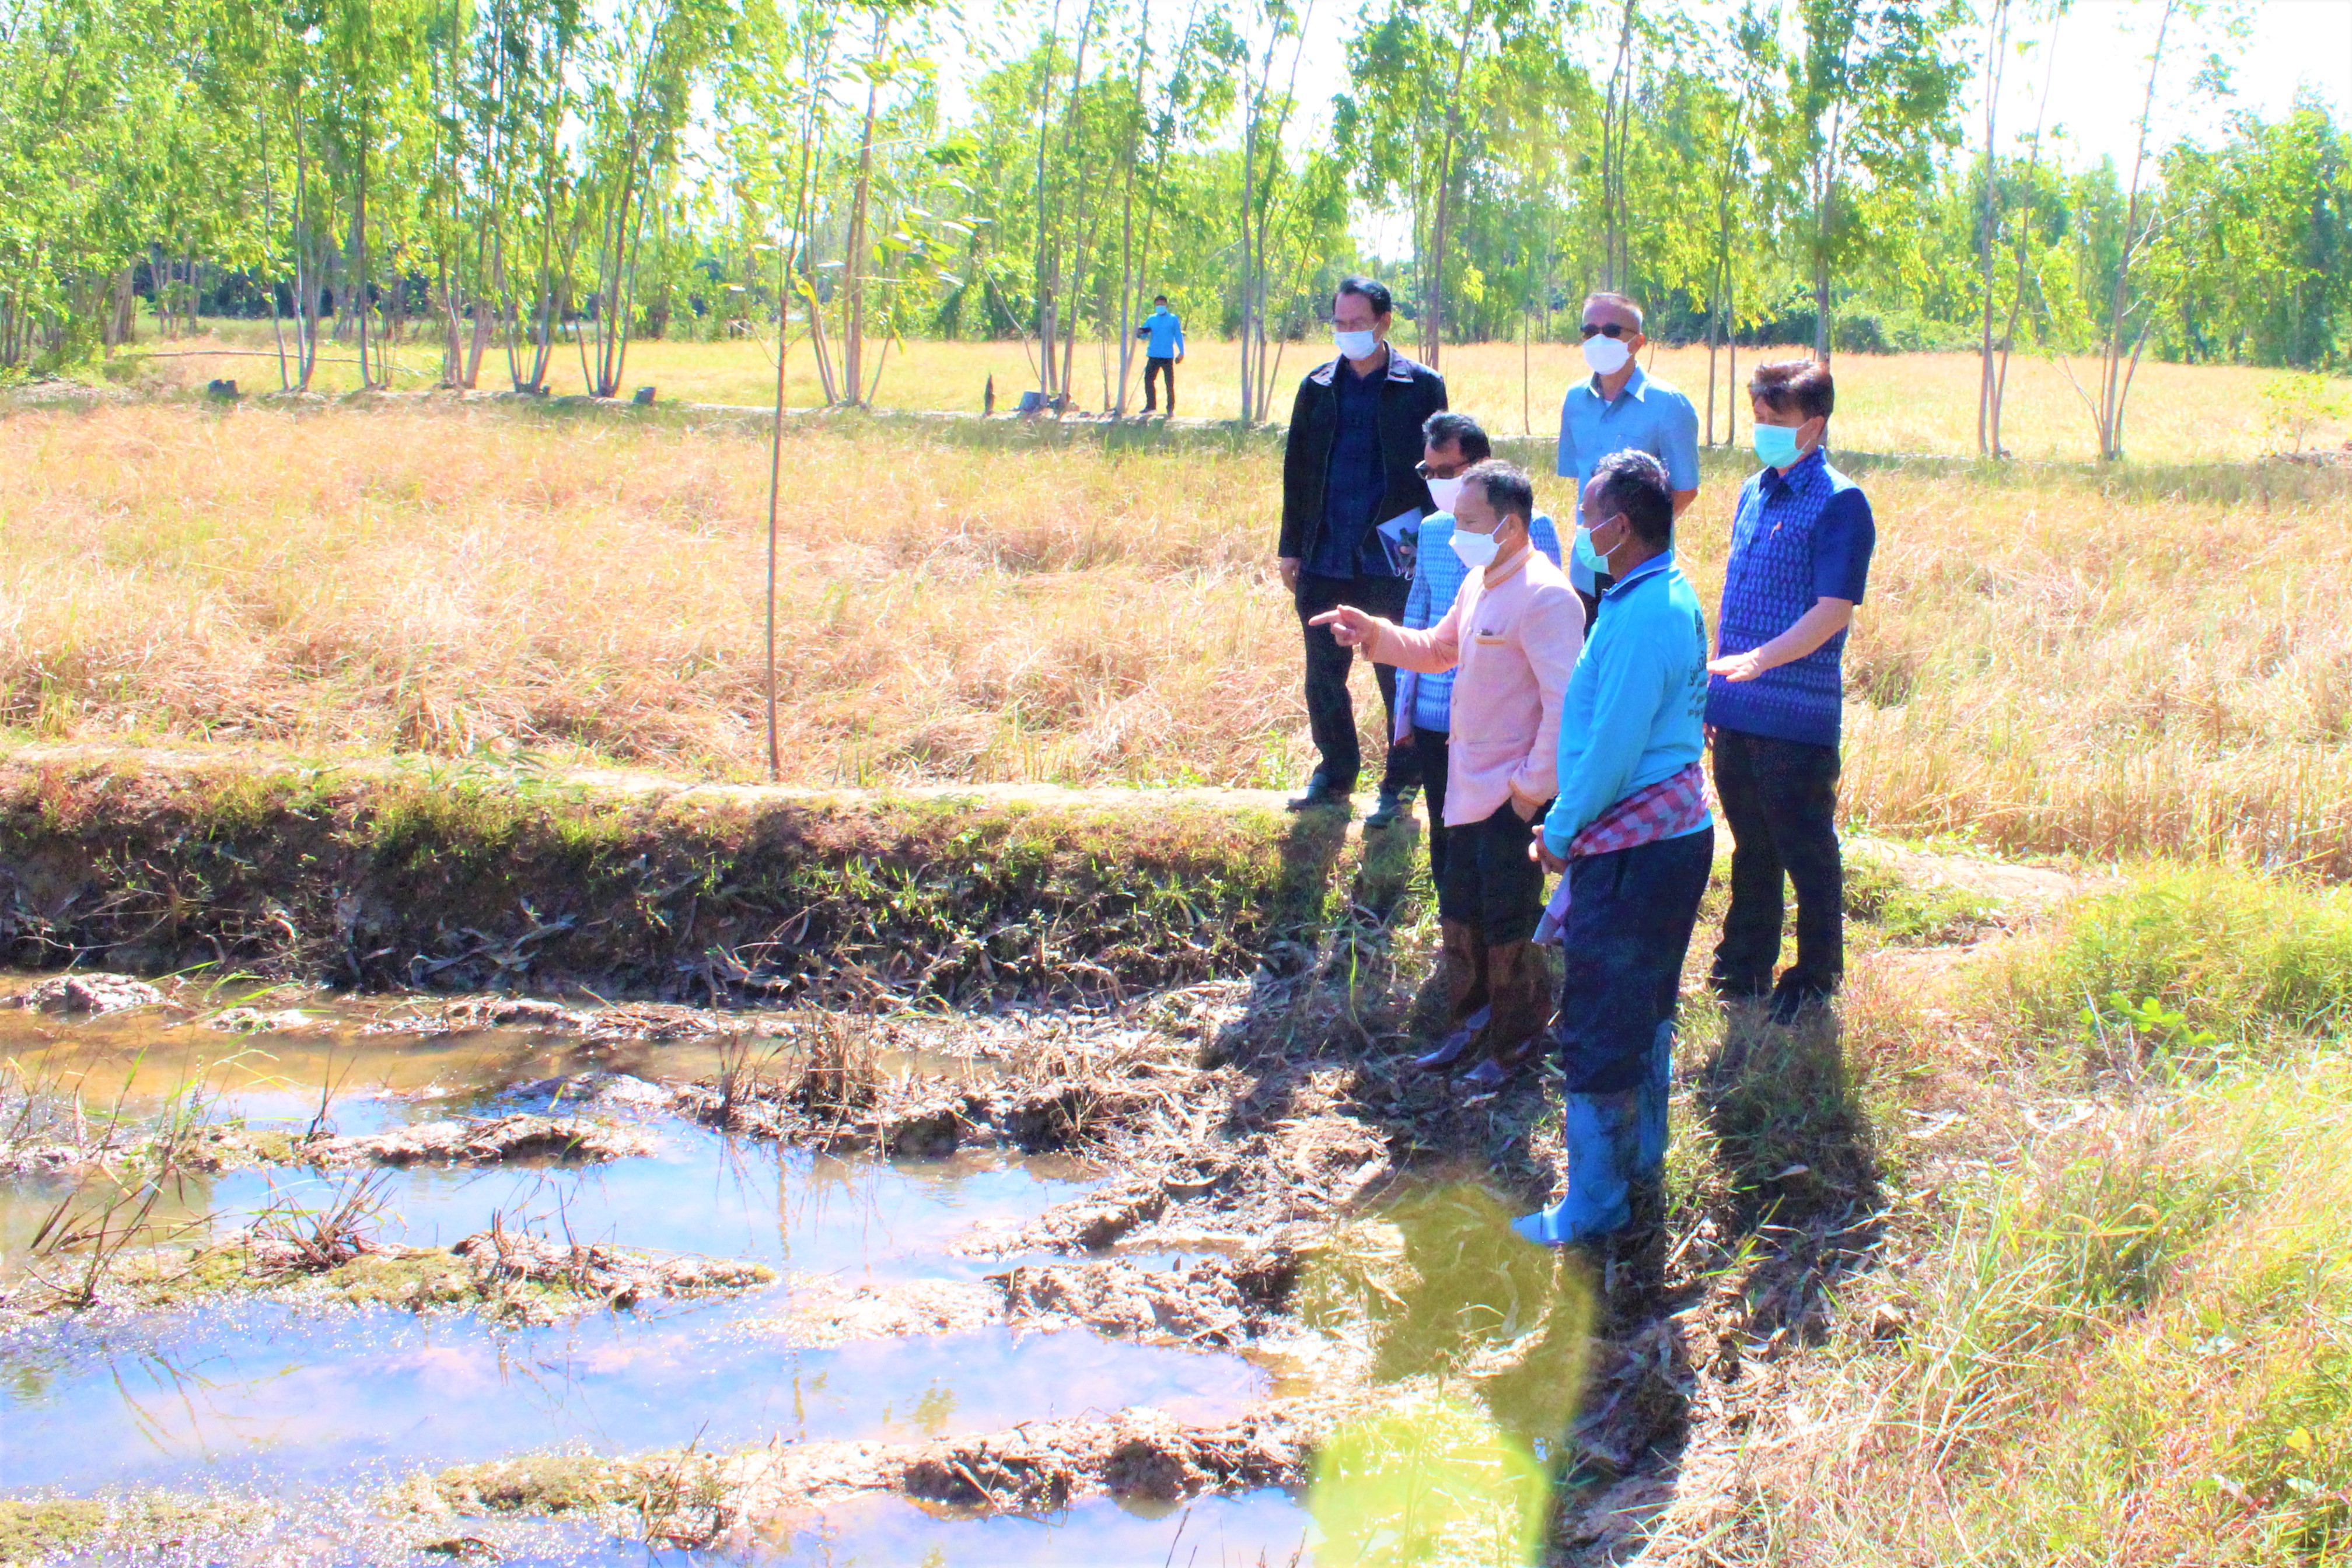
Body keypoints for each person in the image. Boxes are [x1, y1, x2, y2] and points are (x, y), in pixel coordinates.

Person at [1309, 460, 1584, 1088]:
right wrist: (1373, 631)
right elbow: (1437, 650)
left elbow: (1566, 709)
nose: (1455, 533)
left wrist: (1527, 793)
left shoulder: (1545, 597)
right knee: (1463, 910)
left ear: (1510, 527)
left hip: (1508, 796)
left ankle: (1513, 1051)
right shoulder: (1481, 580)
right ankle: (1468, 1028)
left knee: (1510, 921)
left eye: (1468, 522)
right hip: (1466, 787)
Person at [1513, 450, 1715, 1248]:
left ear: (1619, 527)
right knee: (1643, 1012)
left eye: (1587, 515)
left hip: (1634, 849)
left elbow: (1611, 751)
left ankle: (1595, 1204)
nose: (1580, 530)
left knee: (1601, 1019)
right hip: (1658, 840)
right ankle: (1639, 1166)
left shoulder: (1640, 617)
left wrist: (1559, 833)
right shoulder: (1654, 594)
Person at [1704, 359, 1877, 1025]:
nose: (1760, 430)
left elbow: (1832, 609)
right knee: (1750, 842)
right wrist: (1722, 689)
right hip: (1739, 704)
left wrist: (1761, 660)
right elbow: (1735, 595)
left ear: (1814, 424)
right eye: (1755, 417)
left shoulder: (1838, 501)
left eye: (1772, 420)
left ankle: (1815, 972)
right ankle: (1743, 960)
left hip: (1794, 713)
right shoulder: (1753, 490)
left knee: (1805, 848)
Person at [1278, 277, 1448, 817]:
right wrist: (1290, 546)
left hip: (1393, 553)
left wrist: (1439, 545)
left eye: (1358, 323)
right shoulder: (1317, 387)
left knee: (1397, 670)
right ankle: (1334, 773)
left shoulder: (1420, 386)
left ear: (1384, 322)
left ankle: (1400, 783)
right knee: (1323, 672)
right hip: (1327, 550)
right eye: (1340, 324)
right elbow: (1297, 472)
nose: (1348, 333)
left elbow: (1440, 469)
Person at [1556, 293, 1701, 625]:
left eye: (1610, 331)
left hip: (1639, 572)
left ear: (1637, 342)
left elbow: (1685, 489)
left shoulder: (1668, 404)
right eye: (1589, 331)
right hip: (1586, 571)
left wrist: (1632, 535)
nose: (1598, 340)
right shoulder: (1575, 400)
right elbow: (1577, 480)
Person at [1137, 295, 1185, 415]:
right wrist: (1140, 333)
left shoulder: (1173, 319)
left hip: (1167, 356)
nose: (1160, 307)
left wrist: (1182, 352)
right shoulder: (1151, 319)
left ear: (1166, 305)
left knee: (1169, 383)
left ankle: (1170, 408)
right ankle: (1151, 406)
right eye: (1158, 305)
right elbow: (1144, 335)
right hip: (1153, 355)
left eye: (1162, 304)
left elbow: (1178, 335)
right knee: (1148, 380)